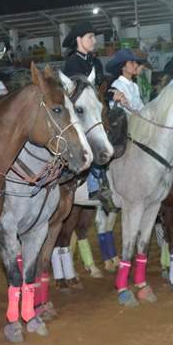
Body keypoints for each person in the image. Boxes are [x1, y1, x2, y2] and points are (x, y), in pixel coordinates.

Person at [61, 21, 119, 209]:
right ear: (79, 39)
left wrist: (111, 94)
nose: (94, 40)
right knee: (93, 137)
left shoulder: (95, 62)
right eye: (90, 37)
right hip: (79, 113)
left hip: (94, 110)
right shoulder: (72, 63)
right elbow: (78, 94)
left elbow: (100, 88)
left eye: (94, 37)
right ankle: (95, 185)